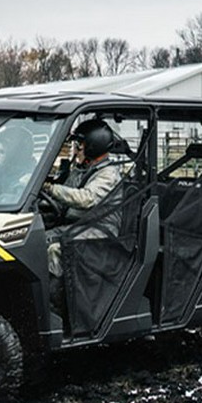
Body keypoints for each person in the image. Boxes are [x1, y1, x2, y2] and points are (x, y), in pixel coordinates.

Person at [43, 118, 123, 299]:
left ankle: (56, 301)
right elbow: (65, 197)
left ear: (93, 146)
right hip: (80, 225)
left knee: (56, 249)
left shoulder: (108, 175)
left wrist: (50, 188)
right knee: (37, 240)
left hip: (101, 230)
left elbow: (85, 199)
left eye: (80, 145)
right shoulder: (81, 169)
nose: (76, 149)